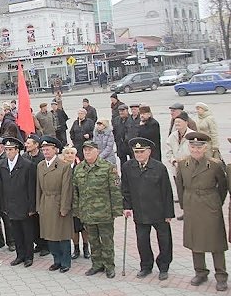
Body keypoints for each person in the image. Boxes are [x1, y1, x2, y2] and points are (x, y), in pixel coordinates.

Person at [176, 132, 228, 291]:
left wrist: (216, 203)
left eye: (199, 147)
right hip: (192, 205)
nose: (195, 150)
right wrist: (185, 205)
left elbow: (223, 187)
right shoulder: (183, 164)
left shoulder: (215, 164)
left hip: (210, 204)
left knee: (216, 242)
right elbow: (180, 186)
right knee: (195, 240)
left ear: (205, 148)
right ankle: (200, 272)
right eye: (192, 146)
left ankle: (221, 275)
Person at [121, 137, 175, 281]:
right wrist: (127, 207)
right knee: (142, 241)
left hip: (159, 211)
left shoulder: (159, 167)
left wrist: (169, 213)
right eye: (136, 152)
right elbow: (125, 189)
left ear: (149, 152)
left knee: (164, 241)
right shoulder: (128, 167)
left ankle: (164, 266)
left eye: (141, 151)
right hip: (140, 211)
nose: (138, 154)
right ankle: (146, 266)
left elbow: (167, 191)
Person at [73, 141, 123, 279]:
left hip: (104, 212)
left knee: (106, 241)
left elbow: (115, 191)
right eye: (85, 150)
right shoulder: (79, 169)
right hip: (87, 212)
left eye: (90, 150)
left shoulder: (108, 167)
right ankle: (96, 264)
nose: (87, 153)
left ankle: (109, 266)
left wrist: (116, 210)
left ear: (97, 151)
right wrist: (77, 211)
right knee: (93, 241)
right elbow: (75, 192)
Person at [0, 137, 38, 268]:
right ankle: (19, 255)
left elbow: (31, 188)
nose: (8, 152)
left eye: (10, 150)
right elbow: (2, 187)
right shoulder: (3, 166)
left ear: (17, 150)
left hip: (24, 205)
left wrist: (32, 207)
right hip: (10, 205)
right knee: (15, 232)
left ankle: (28, 256)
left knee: (27, 232)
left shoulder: (27, 165)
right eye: (6, 150)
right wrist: (4, 205)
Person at [37, 136, 73, 273]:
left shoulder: (63, 166)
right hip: (46, 202)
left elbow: (66, 188)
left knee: (62, 234)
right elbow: (38, 188)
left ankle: (65, 262)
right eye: (44, 150)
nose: (45, 152)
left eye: (48, 149)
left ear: (55, 150)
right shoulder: (40, 165)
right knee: (49, 234)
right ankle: (56, 260)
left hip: (58, 202)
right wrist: (38, 205)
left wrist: (64, 207)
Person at [60, 146, 90, 260]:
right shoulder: (62, 168)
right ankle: (76, 248)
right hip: (70, 203)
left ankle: (86, 248)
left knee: (84, 227)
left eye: (72, 153)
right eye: (67, 153)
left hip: (81, 203)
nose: (69, 155)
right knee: (74, 228)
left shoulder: (81, 167)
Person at [21, 134, 50, 256]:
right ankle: (38, 243)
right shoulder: (25, 156)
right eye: (26, 143)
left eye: (29, 143)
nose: (26, 145)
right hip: (28, 193)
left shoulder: (42, 158)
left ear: (36, 145)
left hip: (41, 192)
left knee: (42, 221)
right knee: (32, 221)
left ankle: (46, 245)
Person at [165, 111, 194, 220]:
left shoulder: (192, 135)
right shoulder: (173, 136)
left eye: (179, 122)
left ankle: (191, 210)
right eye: (175, 123)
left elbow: (195, 153)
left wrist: (185, 162)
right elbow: (168, 151)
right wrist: (173, 161)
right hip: (176, 168)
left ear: (186, 122)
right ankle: (185, 210)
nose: (177, 125)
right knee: (181, 191)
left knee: (189, 190)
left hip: (189, 168)